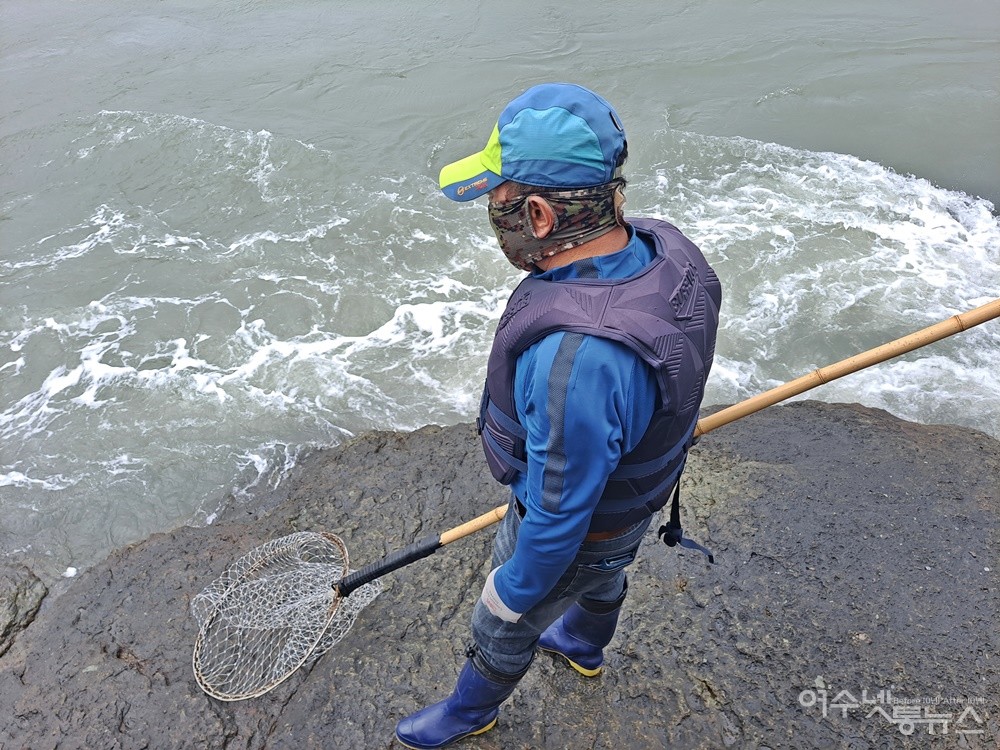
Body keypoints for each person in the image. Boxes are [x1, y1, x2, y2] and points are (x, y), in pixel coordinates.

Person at [395, 82, 722, 750]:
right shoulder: (669, 250)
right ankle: (581, 641)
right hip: (638, 504)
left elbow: (557, 516)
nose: (493, 212)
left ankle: (470, 711)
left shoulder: (575, 362)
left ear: (539, 217)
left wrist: (511, 593)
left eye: (499, 200)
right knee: (606, 573)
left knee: (506, 620)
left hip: (587, 526)